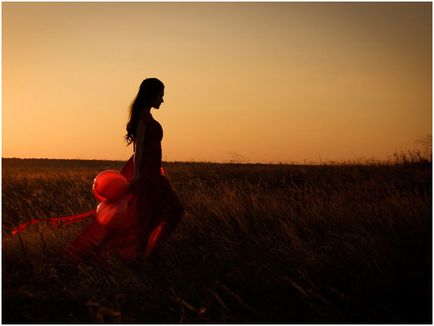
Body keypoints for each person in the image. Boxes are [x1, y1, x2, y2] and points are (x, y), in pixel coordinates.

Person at [67, 78, 184, 263]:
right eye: (161, 95)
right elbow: (138, 150)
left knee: (171, 211)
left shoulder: (148, 117)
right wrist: (137, 176)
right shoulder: (143, 119)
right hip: (146, 176)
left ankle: (150, 251)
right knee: (143, 219)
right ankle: (143, 256)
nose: (162, 100)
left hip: (154, 175)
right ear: (152, 95)